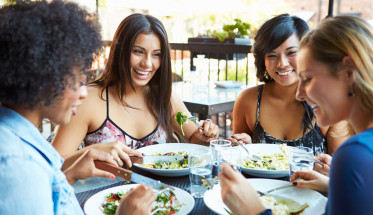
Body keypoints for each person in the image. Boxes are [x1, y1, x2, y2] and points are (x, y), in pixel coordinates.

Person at [0, 1, 155, 214]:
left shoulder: (16, 138)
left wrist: (70, 175)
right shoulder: (18, 167)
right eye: (78, 80)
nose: (83, 92)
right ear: (43, 76)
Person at [219, 15, 373, 215]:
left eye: (308, 78)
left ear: (349, 74)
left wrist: (256, 212)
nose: (301, 93)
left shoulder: (355, 154)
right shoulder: (360, 151)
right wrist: (331, 185)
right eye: (272, 55)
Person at [51, 13, 219, 170]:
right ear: (120, 51)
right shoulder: (88, 100)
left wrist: (206, 136)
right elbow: (52, 163)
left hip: (163, 195)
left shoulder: (165, 97)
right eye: (138, 51)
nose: (147, 63)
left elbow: (193, 138)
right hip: (105, 198)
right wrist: (91, 152)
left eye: (156, 54)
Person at [228, 14, 350, 155]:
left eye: (291, 53)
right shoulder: (248, 100)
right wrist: (246, 146)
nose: (282, 64)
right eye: (272, 55)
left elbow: (340, 171)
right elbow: (238, 160)